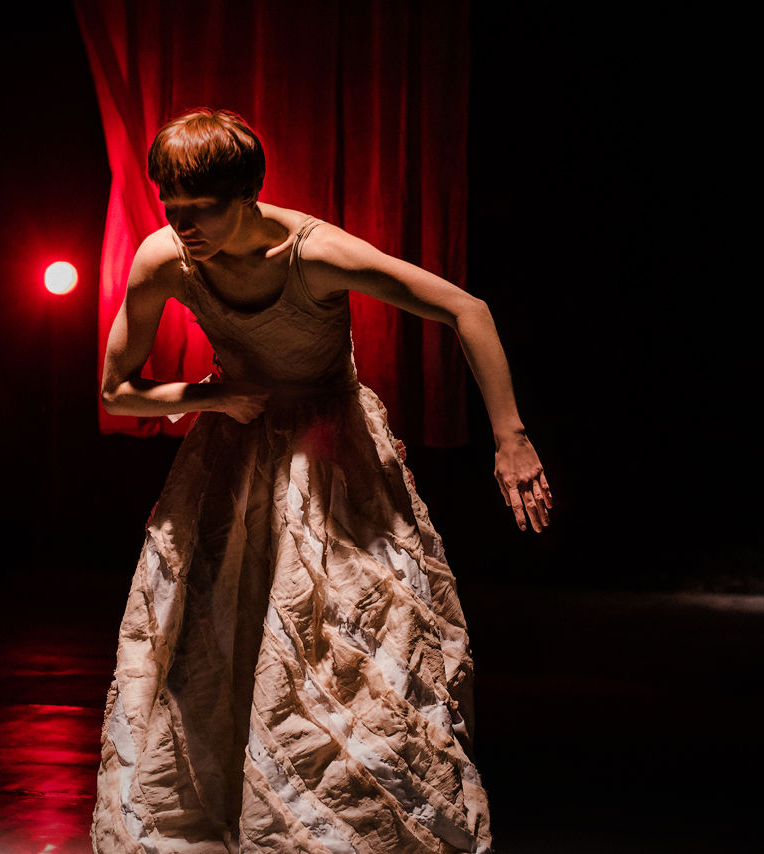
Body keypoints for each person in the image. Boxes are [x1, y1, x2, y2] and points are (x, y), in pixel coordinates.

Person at [90, 109, 550, 854]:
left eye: (198, 210)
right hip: (232, 461)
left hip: (332, 460)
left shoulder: (316, 253)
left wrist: (512, 440)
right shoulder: (164, 259)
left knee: (345, 651)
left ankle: (344, 829)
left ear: (245, 195)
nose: (181, 226)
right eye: (169, 207)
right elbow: (116, 390)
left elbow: (467, 309)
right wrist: (211, 397)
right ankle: (219, 820)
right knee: (214, 647)